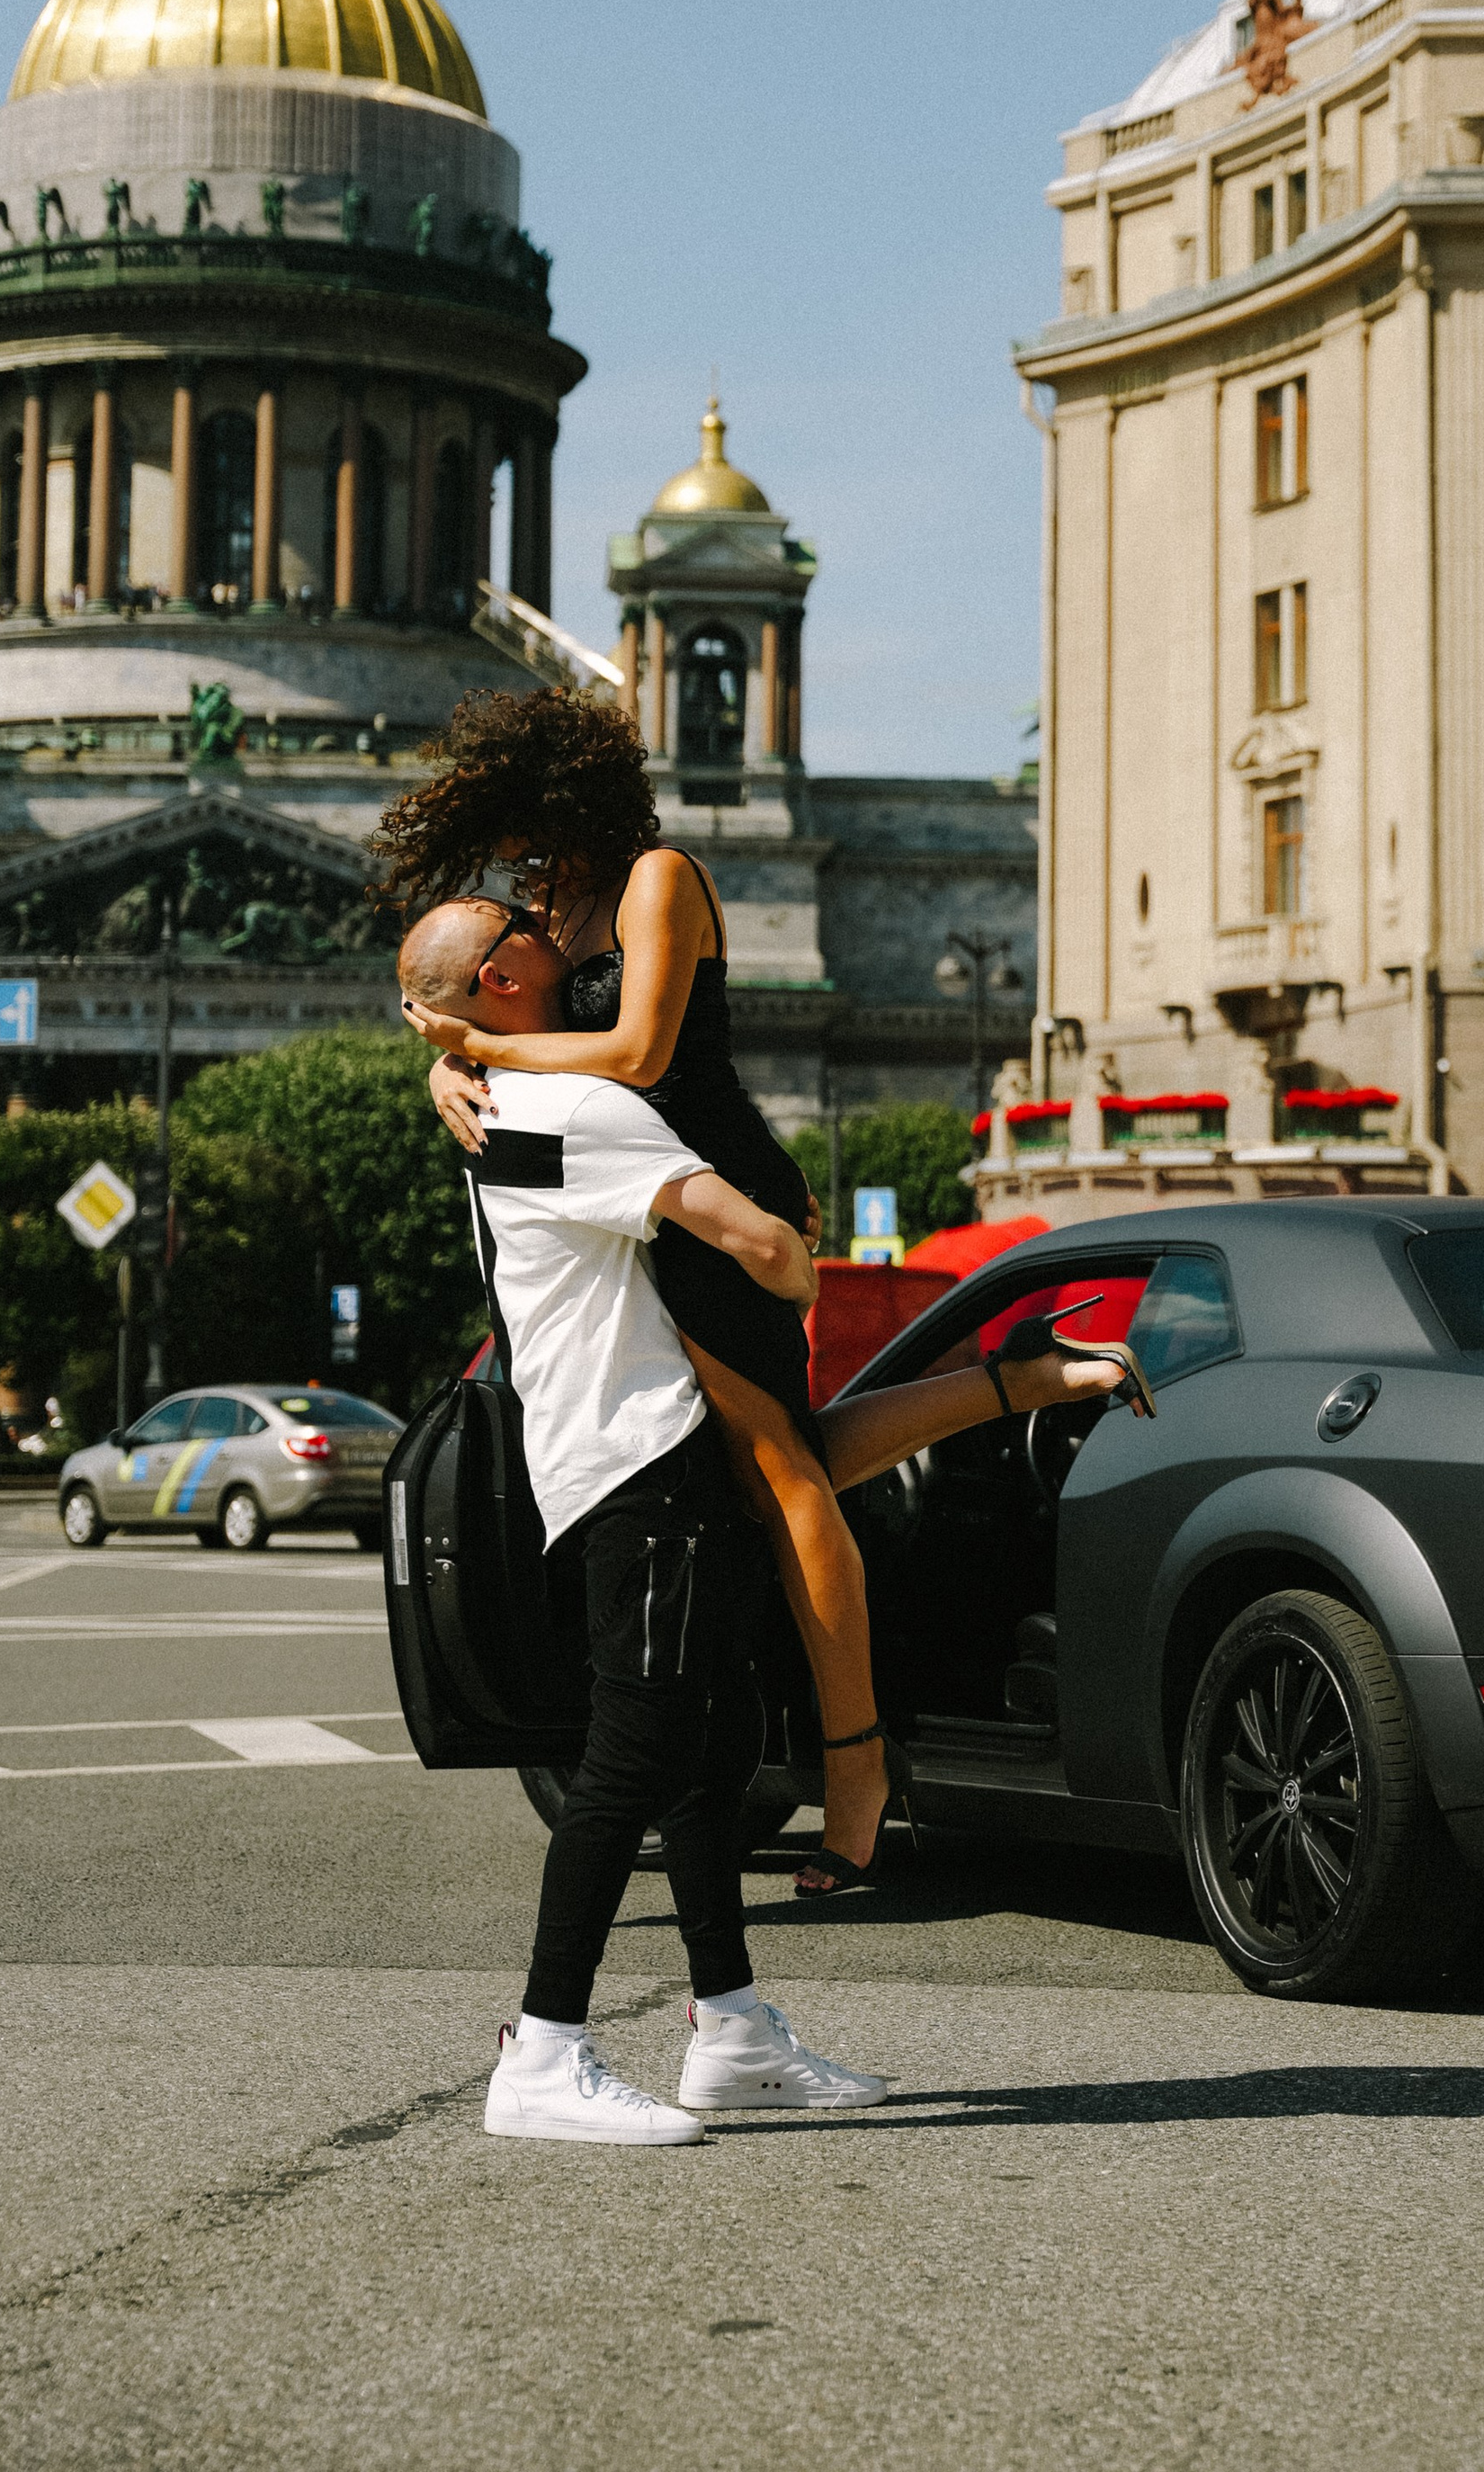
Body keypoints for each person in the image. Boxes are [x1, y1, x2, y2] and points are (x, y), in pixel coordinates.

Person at [399, 894, 1125, 2143]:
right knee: (633, 1755)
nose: (556, 927)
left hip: (623, 1457)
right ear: (505, 973)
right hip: (640, 1465)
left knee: (707, 1751)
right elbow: (767, 1247)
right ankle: (542, 2050)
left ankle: (730, 2030)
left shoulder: (503, 1104)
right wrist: (786, 1247)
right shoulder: (577, 1109)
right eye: (526, 921)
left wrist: (454, 1052)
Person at [379, 688, 901, 1892]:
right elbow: (472, 985)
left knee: (777, 1474)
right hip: (640, 1204)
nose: (512, 856)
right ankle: (1012, 1386)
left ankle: (858, 1763)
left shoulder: (659, 880)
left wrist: (481, 1051)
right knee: (761, 1466)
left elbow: (638, 1054)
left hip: (720, 1195)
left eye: (519, 824)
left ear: (564, 799)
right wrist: (442, 1069)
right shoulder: (549, 912)